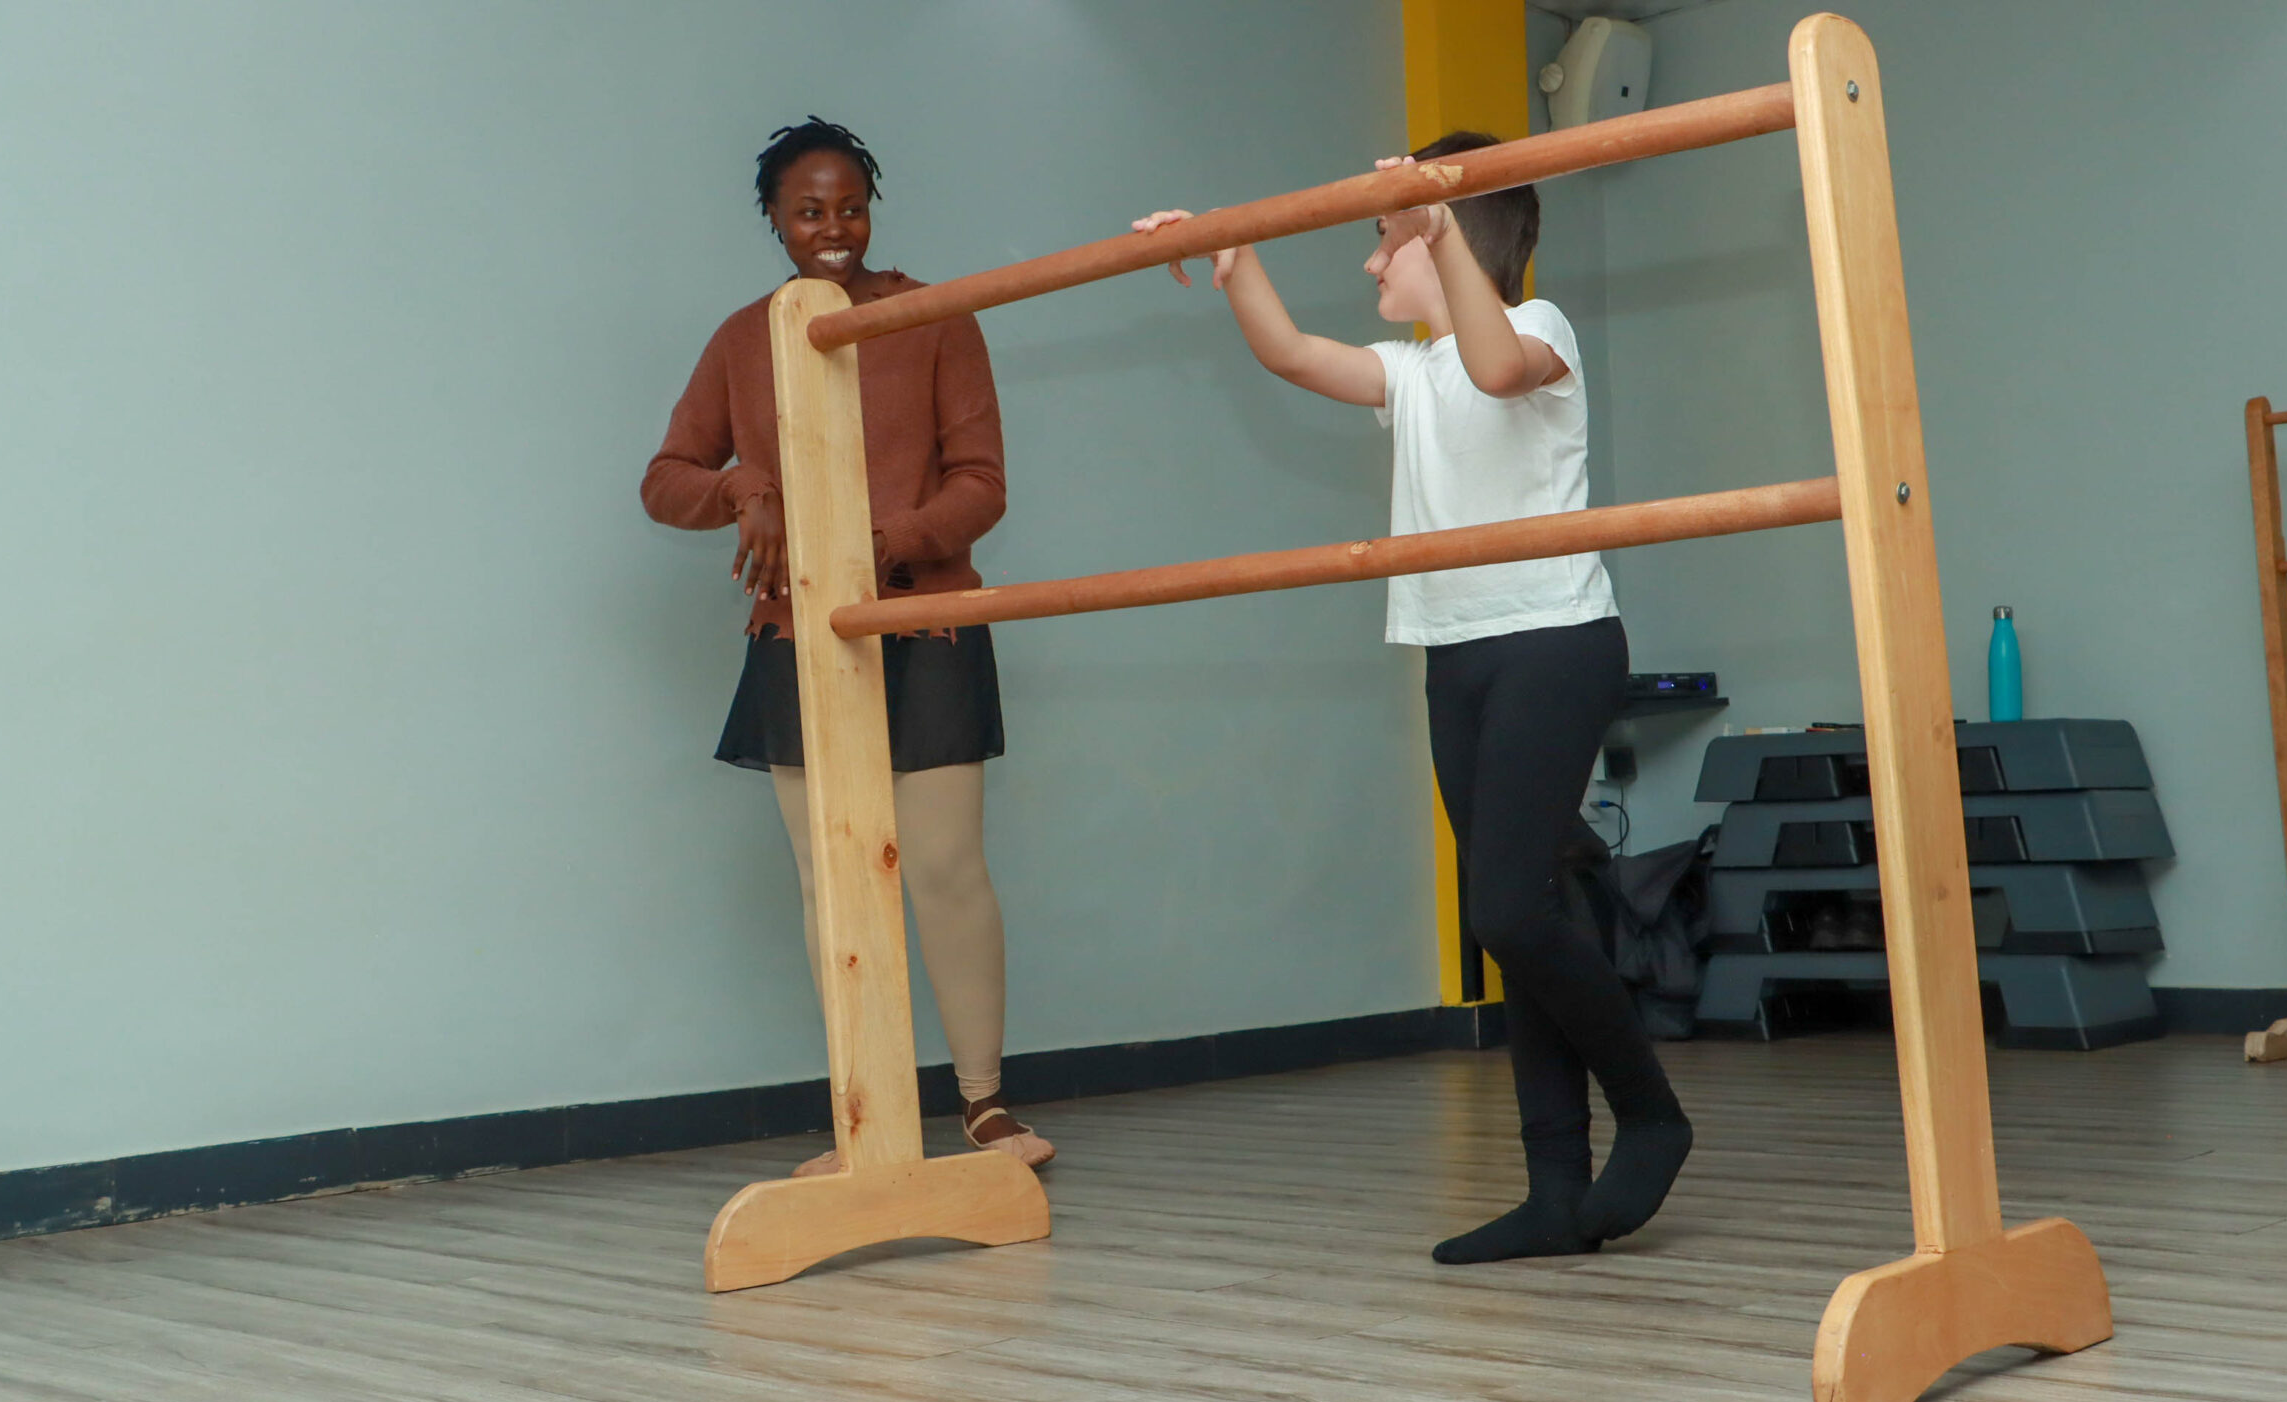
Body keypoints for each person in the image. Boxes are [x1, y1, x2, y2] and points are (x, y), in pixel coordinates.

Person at [1135, 133, 1689, 1263]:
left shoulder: (1537, 331)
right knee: (1522, 913)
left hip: (1552, 641)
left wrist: (1433, 214)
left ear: (1448, 236)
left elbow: (1496, 372)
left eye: (1381, 239)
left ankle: (1651, 1111)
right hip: (1455, 653)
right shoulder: (1412, 372)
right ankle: (1552, 1185)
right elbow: (1294, 356)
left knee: (1507, 909)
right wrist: (1234, 257)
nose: (1369, 264)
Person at [642, 117, 1052, 1174]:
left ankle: (984, 1103)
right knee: (832, 879)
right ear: (774, 221)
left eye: (850, 207)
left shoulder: (934, 317)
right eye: (808, 212)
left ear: (873, 209)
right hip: (796, 635)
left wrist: (879, 544)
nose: (833, 229)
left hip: (926, 621)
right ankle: (866, 1114)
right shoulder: (744, 337)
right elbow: (667, 477)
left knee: (945, 865)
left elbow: (983, 483)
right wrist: (744, 486)